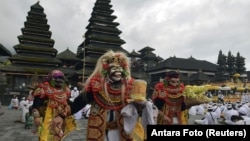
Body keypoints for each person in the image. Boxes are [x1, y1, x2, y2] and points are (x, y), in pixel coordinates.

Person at [71, 50, 136, 141]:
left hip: (120, 131)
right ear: (106, 71)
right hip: (100, 131)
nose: (117, 71)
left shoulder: (129, 88)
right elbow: (80, 102)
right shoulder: (96, 87)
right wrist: (64, 113)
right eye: (114, 68)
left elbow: (138, 109)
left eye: (120, 68)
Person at [31, 70, 77, 141]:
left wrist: (71, 109)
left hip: (60, 118)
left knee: (58, 136)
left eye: (61, 78)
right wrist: (36, 117)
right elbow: (36, 104)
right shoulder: (43, 88)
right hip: (46, 117)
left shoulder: (66, 90)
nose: (59, 80)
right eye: (56, 78)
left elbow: (68, 103)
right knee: (45, 136)